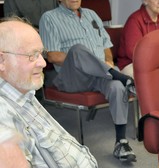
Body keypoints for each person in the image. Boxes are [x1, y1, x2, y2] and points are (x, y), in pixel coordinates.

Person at [39, 0, 136, 162]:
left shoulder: (92, 15)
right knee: (77, 50)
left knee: (116, 87)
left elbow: (106, 45)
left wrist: (107, 60)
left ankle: (121, 142)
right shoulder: (49, 18)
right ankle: (121, 77)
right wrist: (88, 61)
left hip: (100, 75)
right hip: (70, 78)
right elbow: (52, 55)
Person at [0, 16, 98, 167]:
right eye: (32, 56)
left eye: (41, 53)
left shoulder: (23, 91)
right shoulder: (3, 113)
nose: (43, 62)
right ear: (1, 61)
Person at [117, 0, 159, 78]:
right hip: (132, 65)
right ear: (145, 0)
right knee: (155, 79)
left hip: (157, 63)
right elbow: (134, 53)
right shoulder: (134, 20)